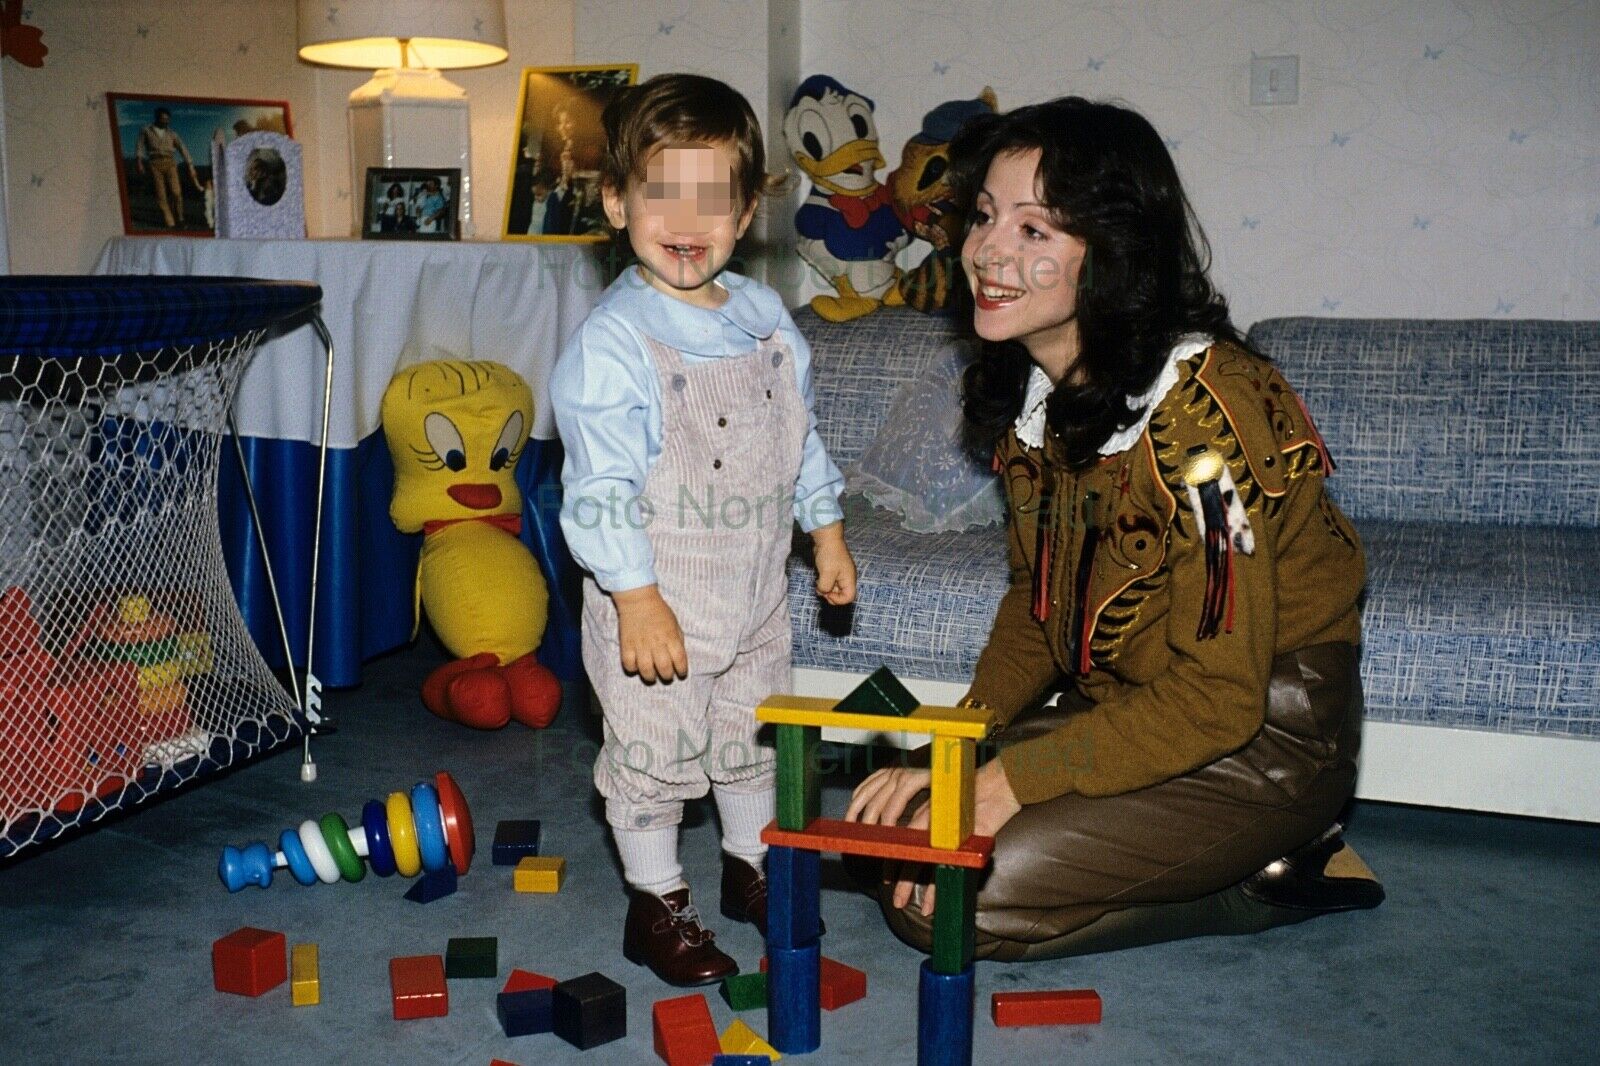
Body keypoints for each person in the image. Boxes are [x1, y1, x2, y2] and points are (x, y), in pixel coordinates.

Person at [846, 96, 1384, 962]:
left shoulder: (1208, 425)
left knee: (949, 904)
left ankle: (1276, 873)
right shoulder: (1035, 398)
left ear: (1115, 253)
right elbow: (1037, 603)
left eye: (1036, 231)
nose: (987, 250)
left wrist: (1012, 781)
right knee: (903, 837)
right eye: (985, 216)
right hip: (1129, 710)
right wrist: (960, 744)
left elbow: (1218, 697)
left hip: (1259, 737)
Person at [550, 73, 857, 987]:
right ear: (616, 201)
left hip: (757, 587)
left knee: (749, 735)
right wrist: (634, 599)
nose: (688, 219)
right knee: (651, 750)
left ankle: (749, 867)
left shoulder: (766, 320)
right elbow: (598, 488)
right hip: (658, 598)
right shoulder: (612, 345)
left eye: (713, 196)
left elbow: (800, 434)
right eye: (660, 192)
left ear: (747, 210)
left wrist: (827, 525)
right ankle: (656, 903)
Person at [135, 107, 199, 228]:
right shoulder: (146, 130)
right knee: (161, 194)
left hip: (170, 163)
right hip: (154, 163)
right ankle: (170, 222)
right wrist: (139, 162)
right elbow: (139, 146)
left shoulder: (172, 134)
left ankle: (180, 218)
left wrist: (190, 165)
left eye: (167, 119)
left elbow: (182, 148)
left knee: (176, 192)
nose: (166, 121)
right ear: (157, 118)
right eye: (163, 119)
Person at [525, 171, 571, 236]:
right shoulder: (536, 202)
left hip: (543, 233)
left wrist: (565, 177)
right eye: (534, 195)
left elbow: (561, 189)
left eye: (539, 195)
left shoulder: (551, 199)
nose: (536, 198)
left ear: (549, 190)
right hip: (532, 231)